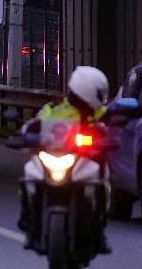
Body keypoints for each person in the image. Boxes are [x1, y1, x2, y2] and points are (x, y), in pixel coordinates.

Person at [17, 66, 111, 252]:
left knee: (102, 179)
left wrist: (109, 138)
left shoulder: (100, 112)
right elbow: (32, 125)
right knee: (28, 174)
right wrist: (24, 136)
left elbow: (113, 120)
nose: (102, 98)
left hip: (86, 159)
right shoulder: (53, 109)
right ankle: (27, 216)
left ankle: (99, 225)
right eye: (99, 93)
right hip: (56, 154)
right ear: (88, 89)